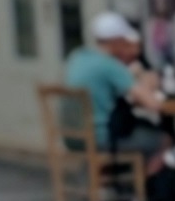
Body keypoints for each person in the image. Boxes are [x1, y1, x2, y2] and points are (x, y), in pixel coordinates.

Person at [64, 11, 168, 172]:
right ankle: (147, 189)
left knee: (142, 129)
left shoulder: (78, 56)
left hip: (73, 136)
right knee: (162, 140)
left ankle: (110, 183)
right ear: (116, 41)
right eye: (124, 40)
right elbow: (153, 104)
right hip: (102, 138)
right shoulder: (110, 65)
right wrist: (147, 80)